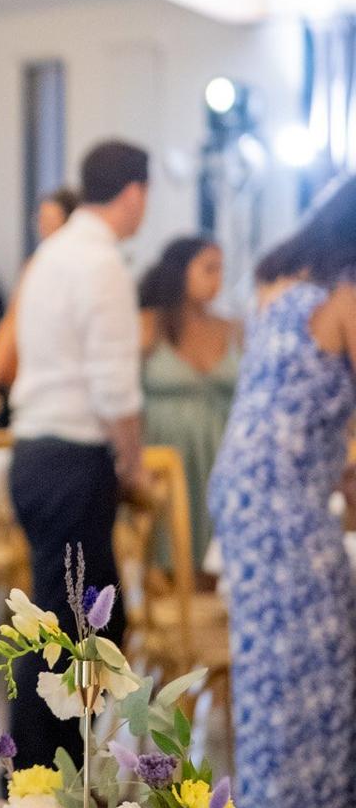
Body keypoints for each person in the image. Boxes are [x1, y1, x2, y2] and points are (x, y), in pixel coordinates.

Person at [209, 177, 356, 808]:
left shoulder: (285, 281)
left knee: (290, 676)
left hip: (255, 497)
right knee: (306, 683)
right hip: (283, 507)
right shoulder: (345, 291)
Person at [7, 141, 150, 768]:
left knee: (57, 625)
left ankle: (43, 776)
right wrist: (133, 462)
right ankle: (48, 780)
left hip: (34, 452)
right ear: (134, 194)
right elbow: (114, 384)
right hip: (72, 459)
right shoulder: (101, 263)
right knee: (77, 635)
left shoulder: (51, 252)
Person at [138, 236, 241, 568]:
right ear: (180, 272)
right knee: (168, 550)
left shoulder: (234, 328)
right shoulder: (149, 325)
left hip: (222, 450)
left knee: (219, 552)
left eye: (221, 269)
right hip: (167, 451)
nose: (217, 279)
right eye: (208, 269)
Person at [0, 187, 79, 413]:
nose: (43, 226)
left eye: (51, 219)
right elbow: (12, 323)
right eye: (40, 219)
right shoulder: (36, 266)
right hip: (35, 383)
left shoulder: (85, 265)